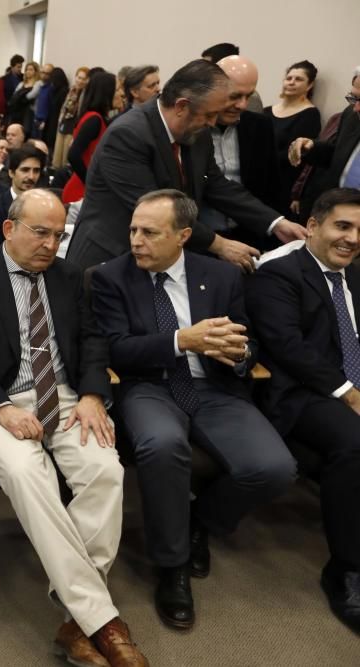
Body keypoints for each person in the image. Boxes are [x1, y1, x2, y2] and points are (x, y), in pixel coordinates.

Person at [0, 189, 149, 667]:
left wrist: (95, 395)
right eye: (40, 232)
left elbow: (92, 340)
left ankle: (76, 620)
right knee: (26, 475)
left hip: (66, 395)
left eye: (58, 235)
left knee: (106, 473)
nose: (50, 244)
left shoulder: (71, 277)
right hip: (2, 399)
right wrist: (0, 407)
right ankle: (103, 621)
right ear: (9, 229)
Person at [90, 189, 296, 630]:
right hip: (150, 387)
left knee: (275, 468)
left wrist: (239, 354)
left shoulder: (220, 277)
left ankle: (197, 521)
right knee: (162, 445)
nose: (136, 241)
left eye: (150, 232)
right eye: (133, 230)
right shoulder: (109, 277)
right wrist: (182, 341)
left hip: (214, 388)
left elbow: (249, 341)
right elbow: (114, 349)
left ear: (183, 235)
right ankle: (172, 566)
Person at [66, 59, 307, 272]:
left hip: (158, 260)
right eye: (210, 115)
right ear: (181, 106)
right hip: (109, 257)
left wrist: (276, 222)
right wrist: (220, 244)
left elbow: (216, 185)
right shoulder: (128, 135)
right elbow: (158, 211)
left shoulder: (195, 132)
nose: (213, 123)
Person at [246, 187, 360, 634]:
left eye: (359, 230)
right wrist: (350, 392)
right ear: (313, 227)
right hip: (303, 394)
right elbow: (288, 348)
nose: (352, 238)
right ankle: (347, 570)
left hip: (349, 386)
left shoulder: (355, 273)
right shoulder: (279, 275)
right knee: (354, 443)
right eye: (342, 226)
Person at [200, 56, 281, 244]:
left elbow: (272, 188)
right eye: (235, 96)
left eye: (249, 96)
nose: (242, 105)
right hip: (200, 238)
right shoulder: (192, 130)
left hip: (249, 235)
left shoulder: (260, 126)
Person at [289, 66, 360, 218]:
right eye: (354, 98)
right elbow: (338, 155)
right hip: (338, 210)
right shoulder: (351, 115)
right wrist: (311, 147)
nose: (356, 108)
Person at [265, 61, 322, 220]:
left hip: (285, 187)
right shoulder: (266, 111)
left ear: (309, 85)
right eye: (289, 78)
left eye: (298, 79)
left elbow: (296, 155)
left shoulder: (310, 114)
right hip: (261, 181)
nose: (291, 82)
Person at [62, 71, 119, 204]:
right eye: (117, 90)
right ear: (106, 93)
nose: (121, 94)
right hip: (79, 192)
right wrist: (92, 181)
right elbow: (74, 155)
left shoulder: (96, 117)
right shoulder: (94, 119)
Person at [0, 145, 46, 240]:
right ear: (11, 173)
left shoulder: (45, 207)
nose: (31, 176)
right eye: (25, 170)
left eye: (36, 171)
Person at [53, 67, 90, 169]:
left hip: (73, 127)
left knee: (66, 156)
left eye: (83, 78)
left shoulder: (86, 95)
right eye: (79, 77)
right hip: (64, 123)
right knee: (57, 155)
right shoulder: (71, 90)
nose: (80, 81)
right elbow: (64, 108)